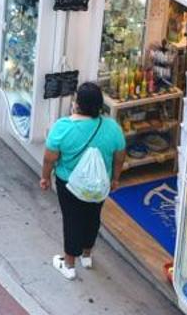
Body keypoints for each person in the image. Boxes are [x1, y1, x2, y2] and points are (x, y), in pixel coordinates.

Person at [39, 80, 126, 280]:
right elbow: (120, 156)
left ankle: (69, 263)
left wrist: (45, 178)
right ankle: (87, 255)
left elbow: (49, 158)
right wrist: (115, 179)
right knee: (93, 217)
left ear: (77, 103)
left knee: (72, 220)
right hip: (99, 185)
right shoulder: (112, 128)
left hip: (69, 184)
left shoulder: (62, 127)